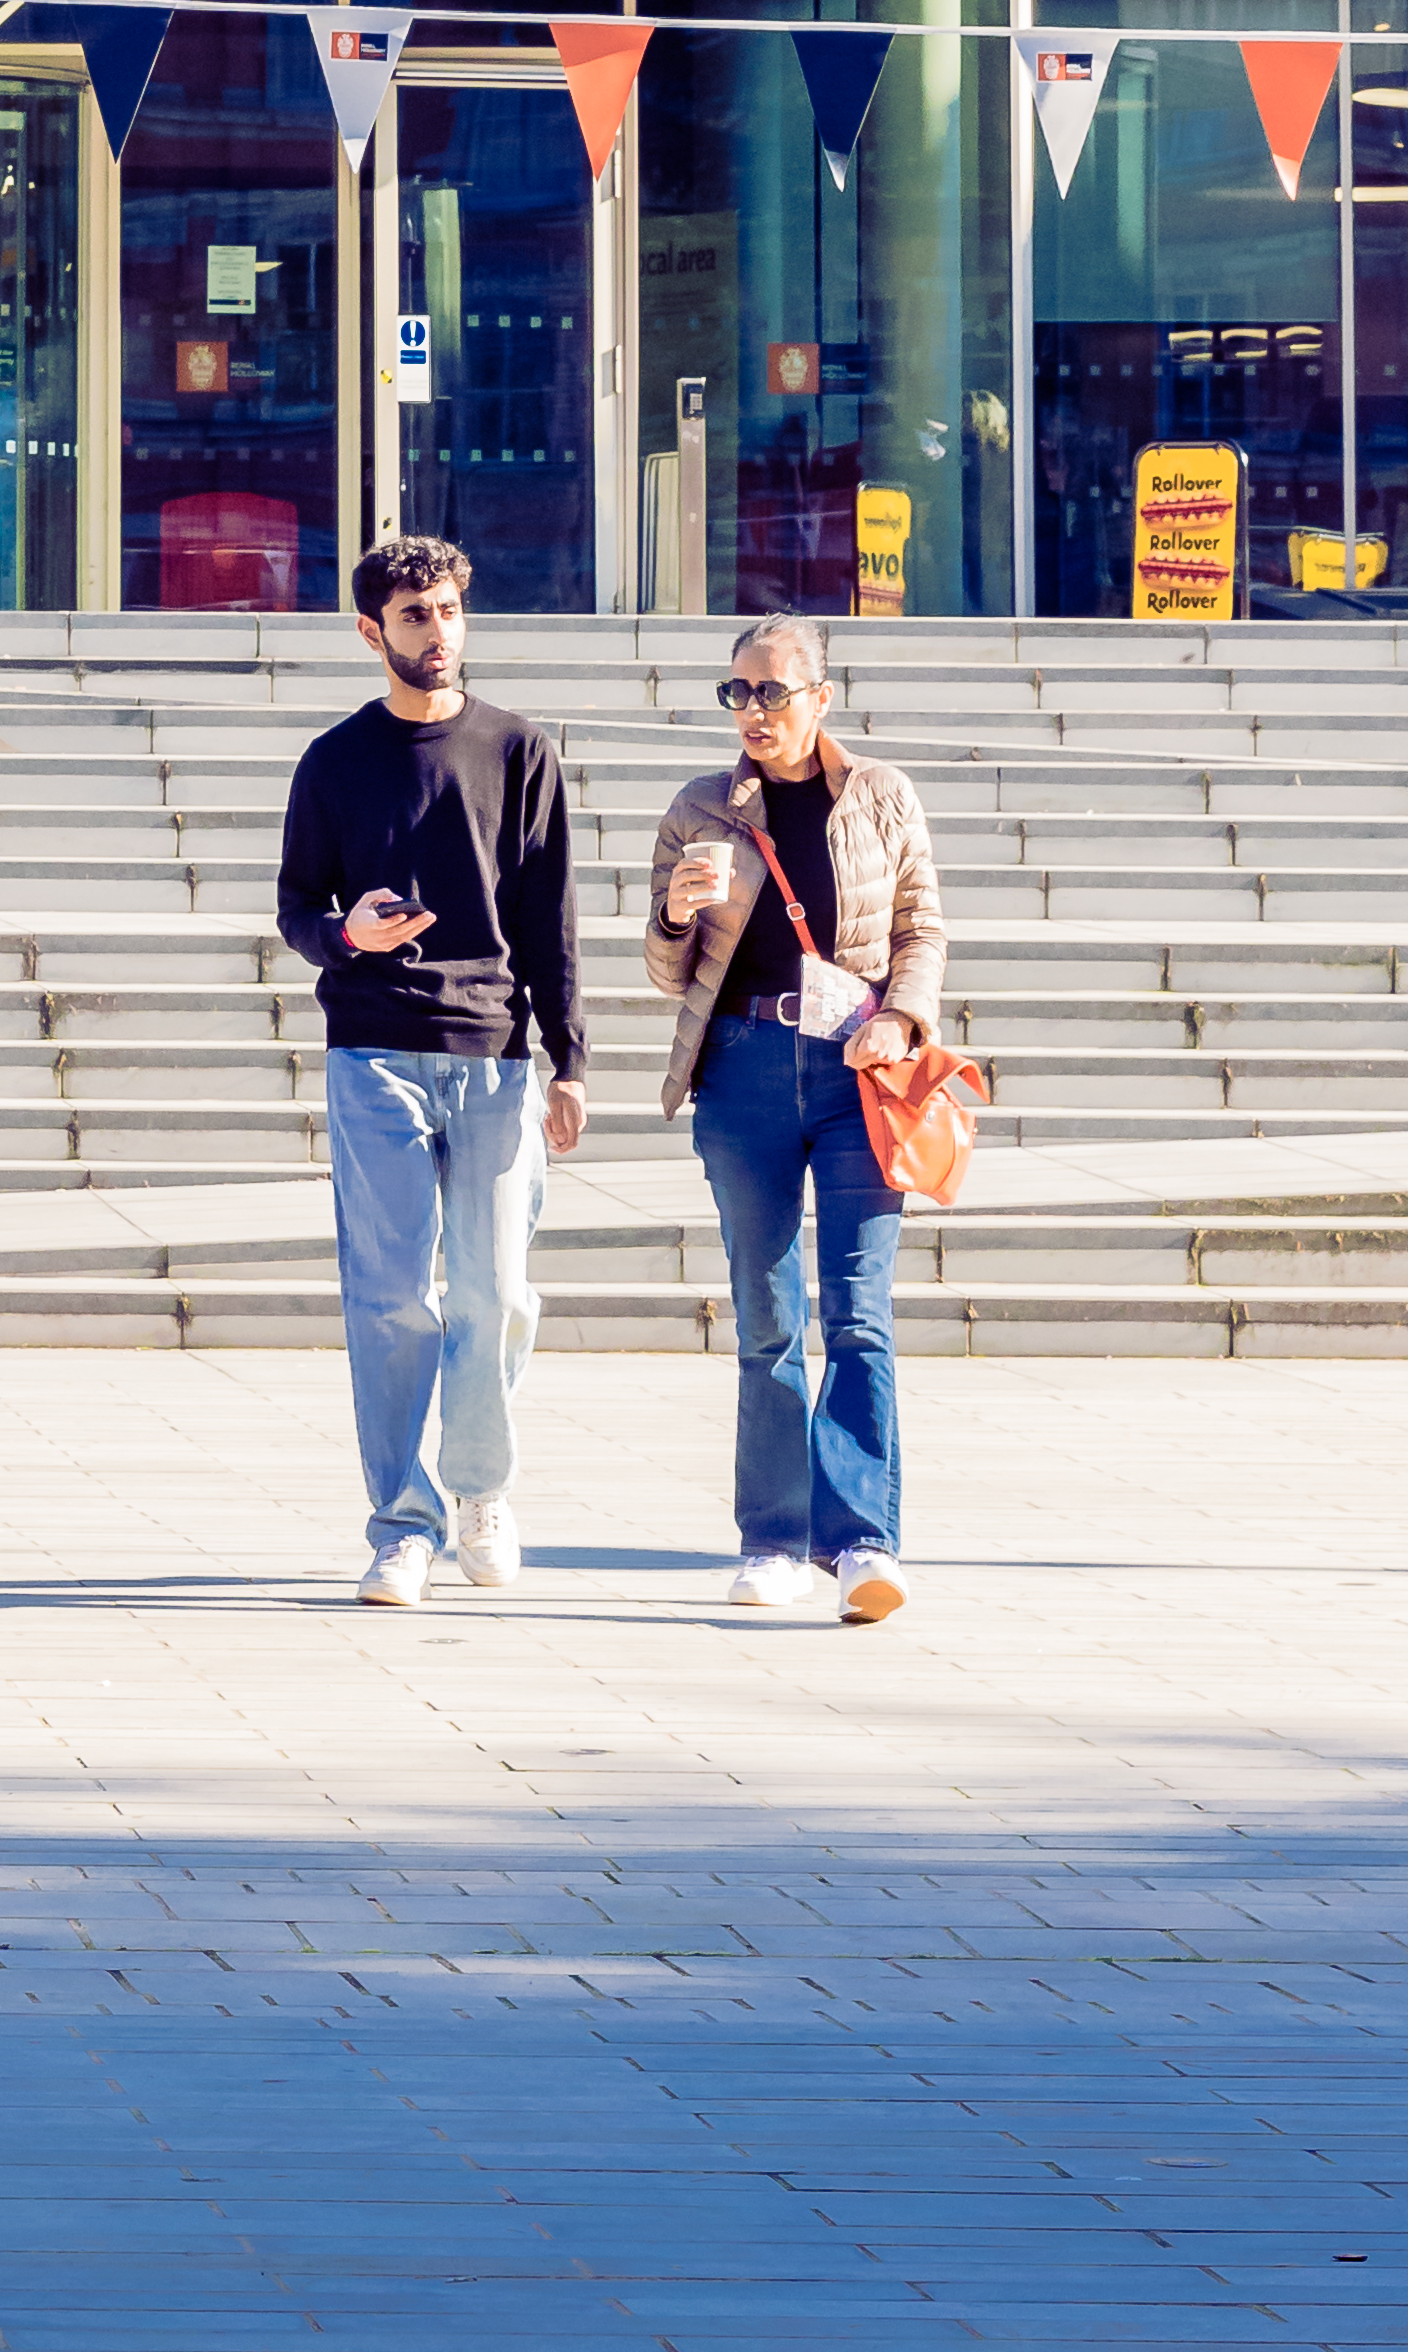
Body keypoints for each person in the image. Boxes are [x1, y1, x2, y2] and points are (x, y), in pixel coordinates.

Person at [273, 528, 583, 1609]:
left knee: (494, 1293)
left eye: (448, 609)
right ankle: (402, 1524)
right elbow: (294, 910)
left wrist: (568, 1058)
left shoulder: (515, 750)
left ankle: (480, 1493)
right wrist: (346, 935)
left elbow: (549, 918)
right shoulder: (333, 760)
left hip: (494, 1054)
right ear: (371, 631)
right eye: (413, 616)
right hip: (371, 1052)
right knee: (392, 1299)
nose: (436, 631)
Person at [644, 613, 947, 1627]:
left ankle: (862, 1538)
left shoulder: (879, 795)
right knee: (768, 1318)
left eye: (771, 690)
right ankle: (771, 1539)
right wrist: (673, 917)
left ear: (821, 694)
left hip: (855, 1073)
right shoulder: (698, 809)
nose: (752, 711)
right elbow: (661, 973)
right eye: (736, 691)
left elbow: (918, 929)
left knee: (857, 1314)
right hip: (739, 1069)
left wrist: (901, 1019)